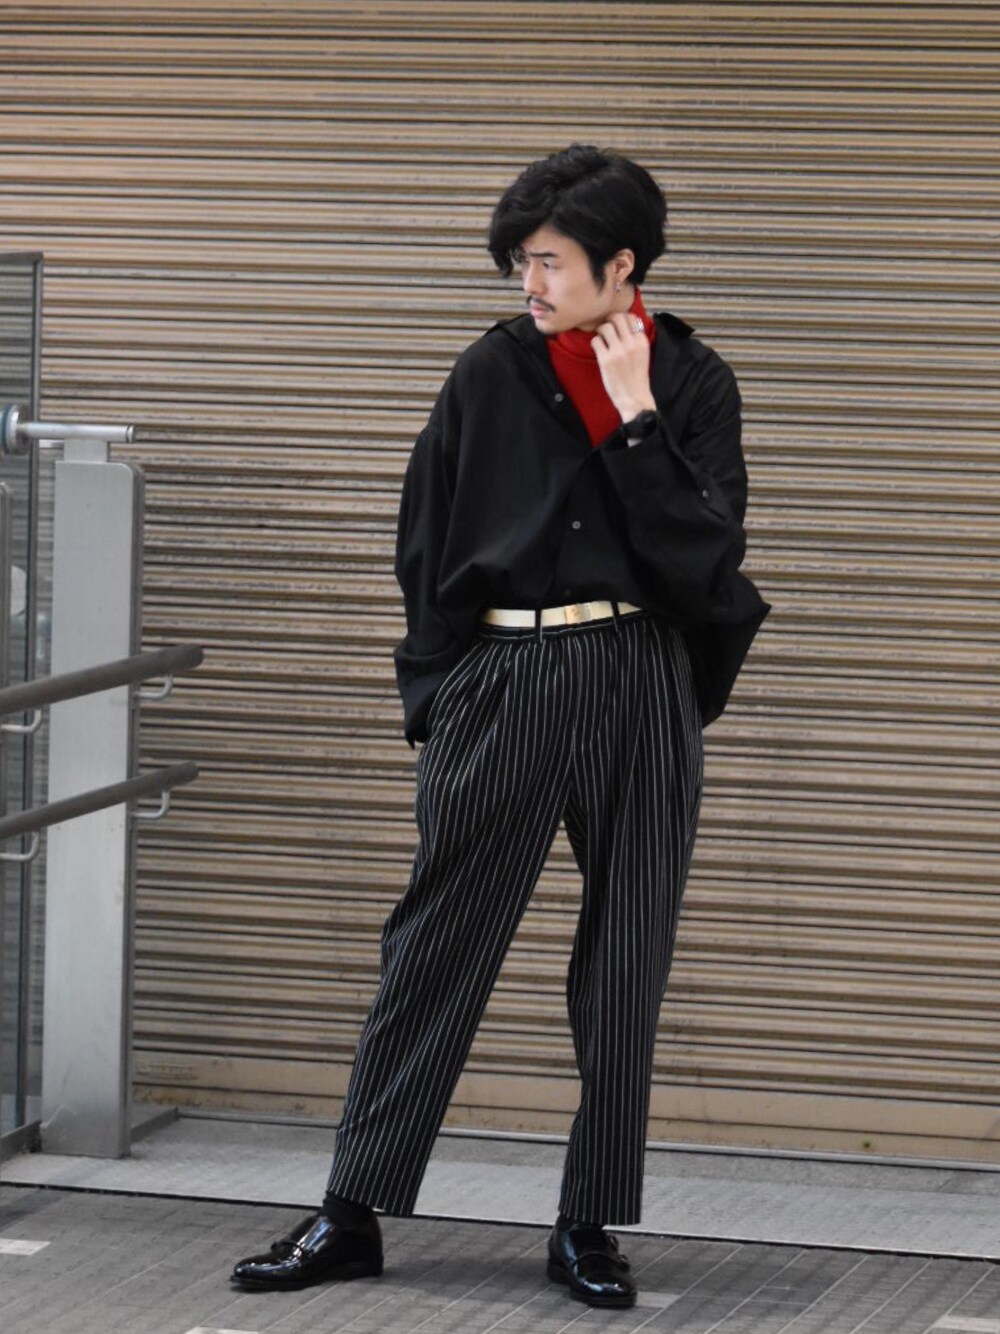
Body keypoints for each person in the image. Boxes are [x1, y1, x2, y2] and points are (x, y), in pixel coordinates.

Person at [232, 144, 769, 1309]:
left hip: (638, 677)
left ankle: (587, 1222)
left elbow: (706, 561)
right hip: (504, 675)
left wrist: (634, 419)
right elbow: (423, 540)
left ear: (620, 266)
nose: (530, 282)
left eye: (550, 262)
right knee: (432, 945)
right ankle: (350, 1209)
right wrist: (440, 697)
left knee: (625, 959)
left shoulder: (693, 382)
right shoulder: (490, 372)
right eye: (522, 261)